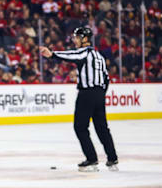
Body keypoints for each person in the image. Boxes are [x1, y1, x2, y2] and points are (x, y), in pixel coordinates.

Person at [40, 26, 119, 172]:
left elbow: (71, 56)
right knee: (102, 128)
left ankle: (91, 159)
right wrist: (100, 93)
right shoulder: (99, 56)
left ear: (85, 39)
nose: (75, 40)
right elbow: (106, 78)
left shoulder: (84, 53)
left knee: (80, 127)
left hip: (86, 94)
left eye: (77, 37)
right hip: (99, 94)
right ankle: (112, 158)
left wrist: (52, 54)